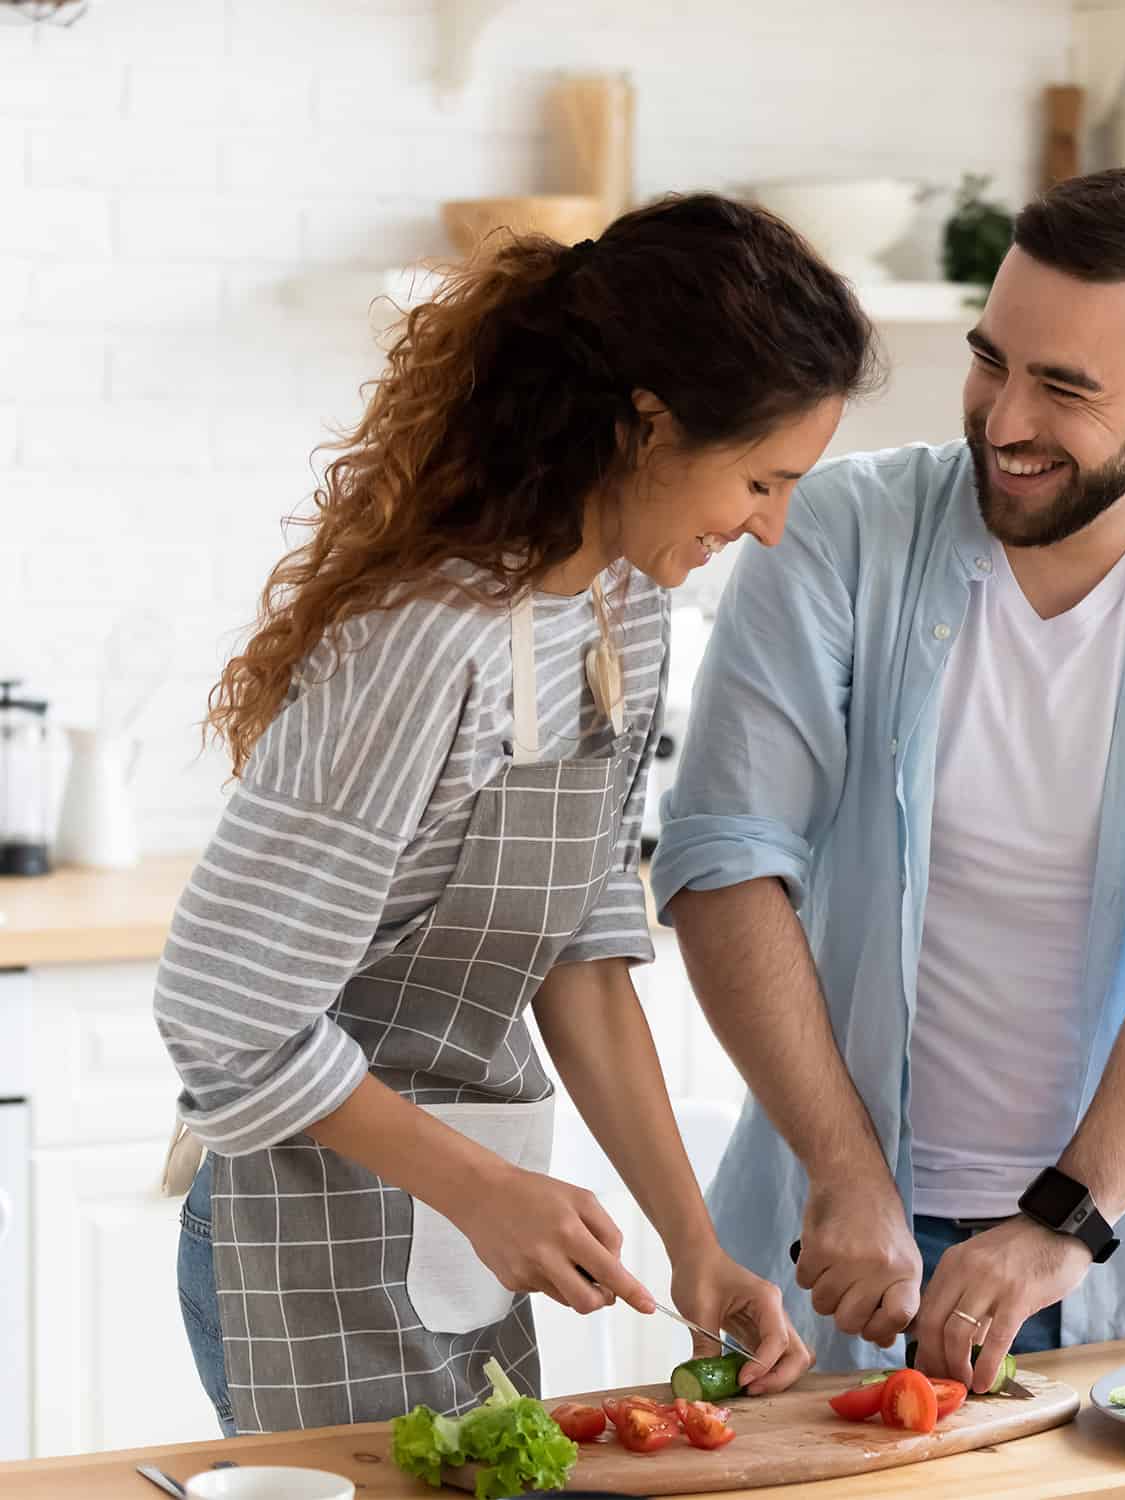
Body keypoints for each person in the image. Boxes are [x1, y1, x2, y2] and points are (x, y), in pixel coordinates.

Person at [154, 193, 880, 1434]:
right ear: (649, 426)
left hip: (462, 1245)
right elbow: (224, 1012)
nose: (770, 524)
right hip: (304, 1239)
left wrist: (694, 1246)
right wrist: (485, 1193)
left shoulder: (624, 614)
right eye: (761, 479)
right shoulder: (422, 645)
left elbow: (585, 960)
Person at [651, 168, 1125, 1387]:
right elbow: (724, 861)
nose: (1005, 419)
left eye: (1066, 388)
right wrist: (846, 1170)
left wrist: (1065, 1221)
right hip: (839, 1246)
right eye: (994, 362)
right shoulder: (832, 532)